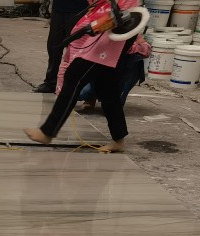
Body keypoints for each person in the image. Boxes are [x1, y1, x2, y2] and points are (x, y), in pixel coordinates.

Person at [24, 7, 145, 153]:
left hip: (112, 31)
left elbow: (123, 8)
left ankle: (47, 132)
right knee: (106, 86)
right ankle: (118, 138)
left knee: (74, 77)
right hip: (107, 26)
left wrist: (99, 23)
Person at [32, 0, 90, 94]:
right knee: (53, 46)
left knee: (75, 48)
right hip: (59, 9)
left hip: (79, 9)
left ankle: (72, 85)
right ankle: (51, 82)